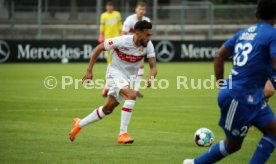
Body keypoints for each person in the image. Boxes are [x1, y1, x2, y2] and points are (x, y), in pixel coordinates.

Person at [184, 0, 276, 163]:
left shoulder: (244, 33)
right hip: (239, 97)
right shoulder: (272, 35)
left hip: (249, 96)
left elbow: (219, 55)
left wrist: (221, 85)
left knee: (273, 132)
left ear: (256, 14)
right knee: (233, 145)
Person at [69, 20, 157, 144]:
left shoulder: (148, 45)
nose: (149, 38)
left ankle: (79, 124)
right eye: (147, 35)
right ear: (138, 33)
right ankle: (123, 134)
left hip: (127, 78)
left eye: (151, 35)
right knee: (131, 95)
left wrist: (151, 77)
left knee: (108, 109)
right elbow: (99, 48)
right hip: (114, 73)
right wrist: (89, 71)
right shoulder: (122, 41)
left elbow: (153, 66)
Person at [122, 1, 151, 98]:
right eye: (140, 9)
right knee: (130, 68)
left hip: (140, 46)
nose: (141, 11)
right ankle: (127, 88)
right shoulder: (130, 19)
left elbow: (148, 35)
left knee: (141, 66)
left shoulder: (147, 20)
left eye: (143, 9)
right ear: (136, 10)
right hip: (129, 46)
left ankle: (136, 89)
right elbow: (123, 34)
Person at [99, 1, 123, 97]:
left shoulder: (117, 14)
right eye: (108, 6)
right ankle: (108, 87)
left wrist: (122, 37)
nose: (109, 7)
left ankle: (108, 87)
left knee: (114, 64)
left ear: (112, 7)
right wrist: (101, 36)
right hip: (108, 42)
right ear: (106, 7)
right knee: (111, 64)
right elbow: (102, 28)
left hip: (117, 41)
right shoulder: (103, 16)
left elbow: (120, 27)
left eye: (111, 6)